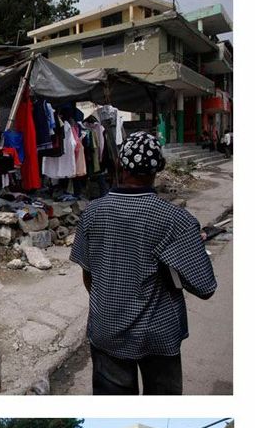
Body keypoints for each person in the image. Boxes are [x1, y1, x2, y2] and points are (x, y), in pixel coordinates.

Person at [70, 131, 217, 394]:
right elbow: (205, 287)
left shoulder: (92, 213)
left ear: (120, 166)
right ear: (157, 170)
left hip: (107, 330)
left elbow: (88, 276)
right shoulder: (176, 221)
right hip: (159, 336)